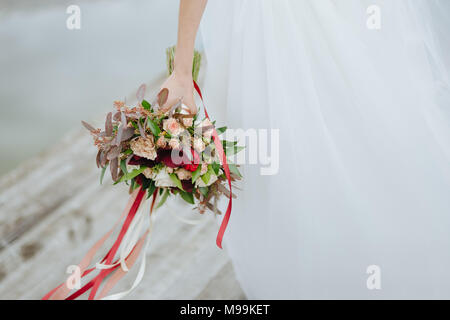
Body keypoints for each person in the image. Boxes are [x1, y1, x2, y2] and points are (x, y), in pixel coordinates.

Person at [161, 0, 450, 299]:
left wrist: (183, 69)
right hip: (298, 27)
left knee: (285, 166)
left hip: (277, 31)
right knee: (342, 152)